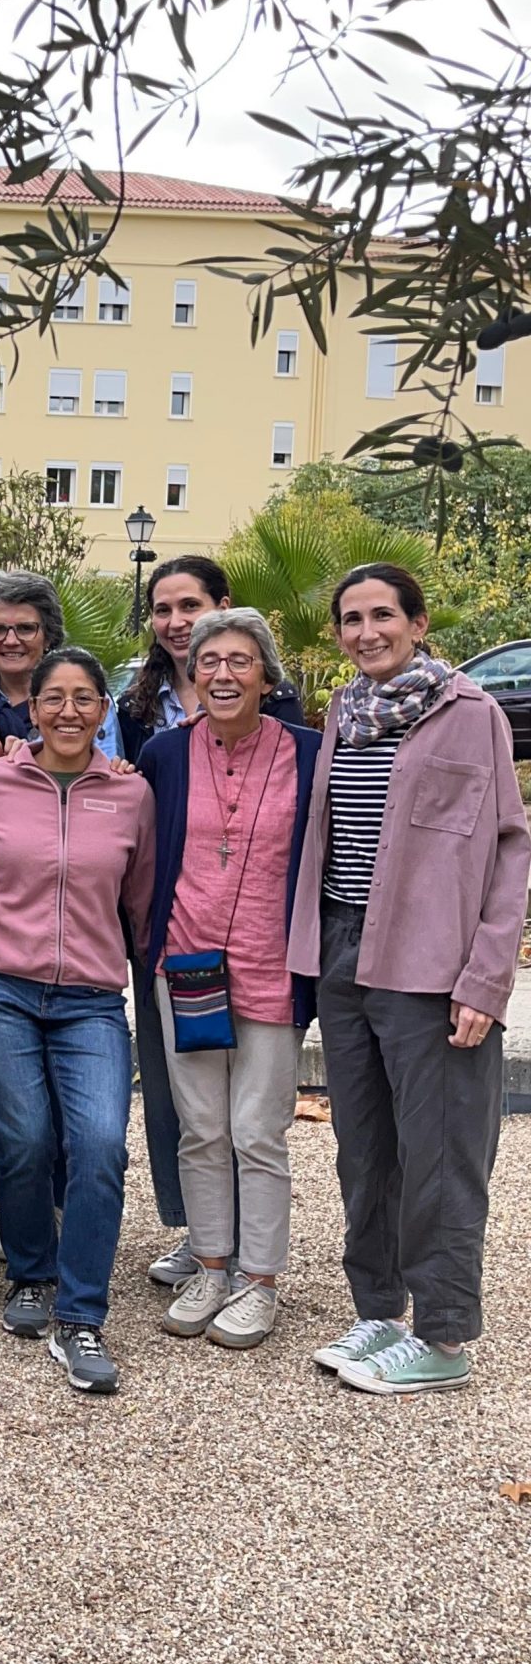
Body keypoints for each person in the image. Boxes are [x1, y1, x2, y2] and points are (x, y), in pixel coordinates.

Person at [289, 564, 530, 1395]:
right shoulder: (345, 715)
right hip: (346, 953)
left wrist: (486, 978)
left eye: (383, 615)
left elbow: (507, 848)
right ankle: (379, 1310)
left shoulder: (472, 715)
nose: (367, 632)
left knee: (442, 1155)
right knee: (365, 1148)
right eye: (352, 619)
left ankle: (446, 1336)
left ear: (418, 623)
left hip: (434, 964)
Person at [0, 647, 155, 1396]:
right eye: (53, 698)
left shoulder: (130, 794)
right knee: (25, 1138)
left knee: (100, 1142)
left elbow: (138, 900)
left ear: (105, 710)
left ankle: (82, 1317)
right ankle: (32, 1272)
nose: (69, 711)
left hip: (92, 1001)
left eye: (85, 699)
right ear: (30, 708)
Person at [116, 555, 304, 1290]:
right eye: (210, 661)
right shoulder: (163, 752)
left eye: (241, 661)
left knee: (259, 1131)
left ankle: (259, 1281)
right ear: (194, 671)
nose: (224, 673)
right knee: (200, 1127)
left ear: (265, 674)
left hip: (273, 965)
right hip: (187, 962)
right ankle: (211, 1262)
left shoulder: (307, 753)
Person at [0, 570, 123, 759]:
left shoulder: (87, 699)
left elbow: (107, 775)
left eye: (26, 628)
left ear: (48, 637)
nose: (11, 640)